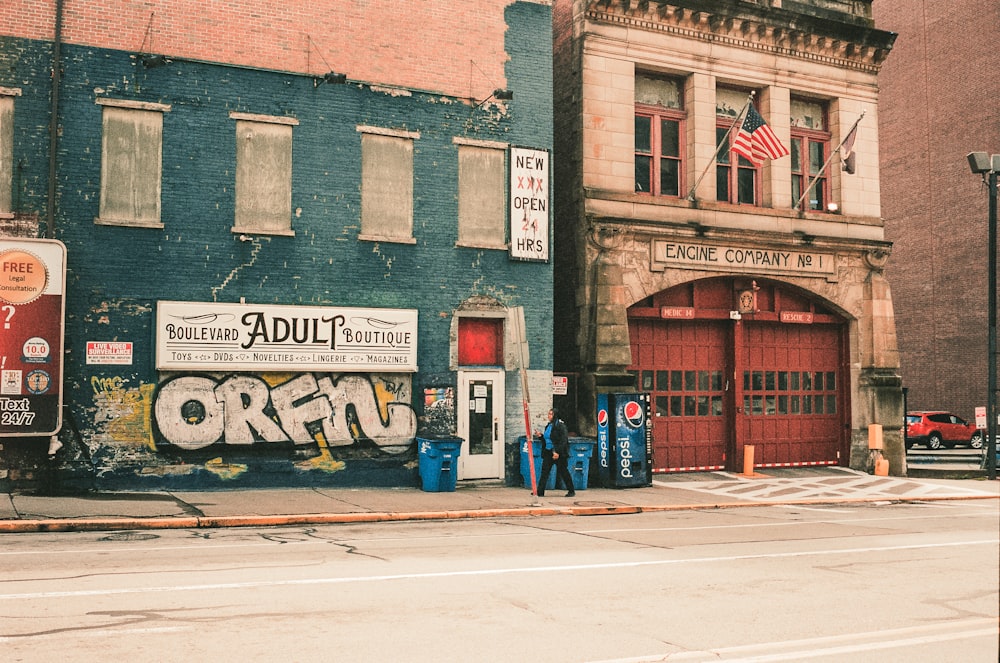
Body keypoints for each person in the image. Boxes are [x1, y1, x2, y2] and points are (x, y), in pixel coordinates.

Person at [535, 408, 574, 497]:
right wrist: (540, 436)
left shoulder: (560, 426)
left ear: (555, 415)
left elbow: (563, 440)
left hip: (558, 453)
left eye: (551, 414)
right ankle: (540, 491)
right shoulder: (548, 426)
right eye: (548, 414)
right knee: (544, 472)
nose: (549, 416)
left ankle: (571, 490)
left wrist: (557, 452)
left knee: (563, 471)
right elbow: (547, 439)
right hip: (548, 451)